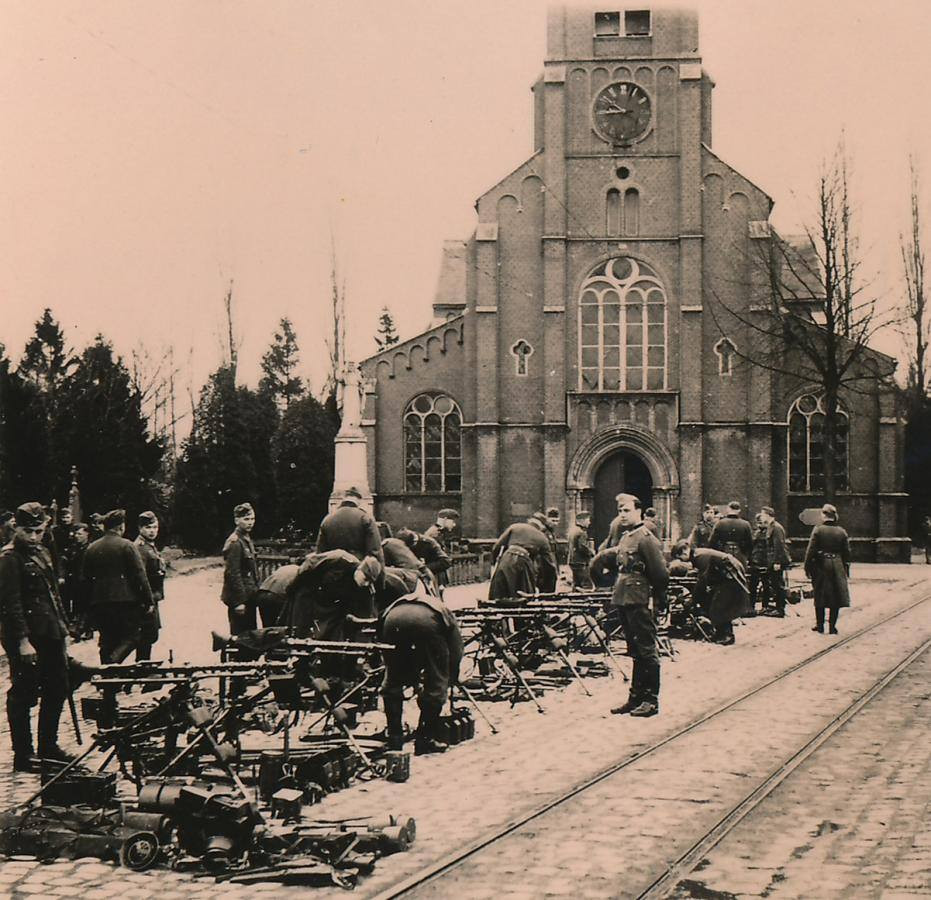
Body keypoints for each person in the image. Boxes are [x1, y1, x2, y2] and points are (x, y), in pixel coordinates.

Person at [0, 502, 73, 770]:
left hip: (49, 633)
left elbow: (52, 595)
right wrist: (21, 641)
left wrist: (63, 629)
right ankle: (24, 754)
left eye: (39, 531)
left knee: (58, 687)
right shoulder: (9, 558)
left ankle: (48, 747)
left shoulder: (41, 552)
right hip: (28, 638)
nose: (33, 537)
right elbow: (10, 604)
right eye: (27, 531)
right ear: (15, 528)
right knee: (23, 693)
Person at [590, 494, 667, 717]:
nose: (622, 515)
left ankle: (651, 700)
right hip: (624, 598)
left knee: (646, 649)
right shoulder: (626, 537)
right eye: (620, 511)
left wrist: (659, 600)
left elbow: (660, 574)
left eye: (626, 511)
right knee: (634, 650)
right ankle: (635, 698)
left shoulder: (645, 538)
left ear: (638, 512)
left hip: (640, 598)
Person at [379, 582, 464, 755]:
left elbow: (381, 641)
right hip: (427, 625)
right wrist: (448, 680)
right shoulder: (445, 613)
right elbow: (455, 654)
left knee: (393, 680)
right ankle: (425, 740)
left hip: (391, 619)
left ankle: (394, 738)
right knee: (437, 682)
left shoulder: (402, 602)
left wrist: (411, 675)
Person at [82, 509, 154, 664]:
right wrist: (148, 601)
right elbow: (140, 575)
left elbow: (85, 579)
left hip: (99, 602)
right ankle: (112, 662)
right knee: (133, 637)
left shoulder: (92, 548)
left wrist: (87, 607)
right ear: (121, 527)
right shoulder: (127, 545)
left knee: (107, 640)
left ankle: (109, 684)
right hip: (125, 601)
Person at [707, 501, 753, 644]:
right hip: (739, 560)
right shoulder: (746, 525)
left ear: (728, 509)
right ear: (738, 510)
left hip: (724, 560)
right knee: (734, 594)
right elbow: (749, 545)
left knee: (721, 596)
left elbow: (712, 543)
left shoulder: (720, 524)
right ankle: (725, 631)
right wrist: (742, 557)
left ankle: (725, 633)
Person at [804, 503, 851, 635]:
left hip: (821, 565)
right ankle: (832, 626)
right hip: (837, 565)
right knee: (835, 596)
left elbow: (810, 550)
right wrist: (845, 569)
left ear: (824, 515)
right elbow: (847, 553)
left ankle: (820, 626)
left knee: (820, 595)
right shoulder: (842, 531)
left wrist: (807, 567)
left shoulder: (818, 530)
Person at [488, 515, 558, 601]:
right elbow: (549, 566)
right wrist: (548, 591)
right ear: (542, 527)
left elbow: (496, 547)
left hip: (506, 559)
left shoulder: (515, 527)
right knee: (523, 594)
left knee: (500, 592)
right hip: (523, 562)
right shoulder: (542, 538)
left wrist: (494, 564)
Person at [316, 487, 384, 568]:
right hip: (358, 572)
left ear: (343, 498)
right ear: (359, 500)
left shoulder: (327, 519)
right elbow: (375, 553)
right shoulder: (365, 518)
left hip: (333, 572)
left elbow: (320, 554)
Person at [221, 502, 260, 635]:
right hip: (241, 599)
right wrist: (239, 602)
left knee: (251, 636)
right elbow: (233, 574)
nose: (250, 522)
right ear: (237, 520)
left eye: (252, 519)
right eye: (246, 519)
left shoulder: (246, 539)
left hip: (249, 597)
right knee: (240, 638)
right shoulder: (235, 542)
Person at [133, 511, 166, 660]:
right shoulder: (140, 548)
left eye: (155, 527)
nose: (152, 531)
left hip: (153, 597)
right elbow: (140, 577)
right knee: (145, 637)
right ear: (140, 528)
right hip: (146, 599)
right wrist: (147, 600)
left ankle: (143, 667)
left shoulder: (149, 546)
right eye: (148, 528)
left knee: (150, 635)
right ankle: (142, 669)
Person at [759, 506, 791, 617]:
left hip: (775, 561)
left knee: (778, 584)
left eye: (762, 514)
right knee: (775, 583)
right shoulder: (771, 526)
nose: (761, 517)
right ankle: (777, 608)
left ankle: (780, 609)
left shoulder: (776, 528)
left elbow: (779, 546)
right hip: (771, 560)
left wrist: (777, 562)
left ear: (768, 514)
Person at [63, 522, 91, 636]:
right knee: (77, 605)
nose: (77, 536)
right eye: (76, 534)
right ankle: (79, 628)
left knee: (86, 605)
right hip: (75, 580)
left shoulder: (90, 547)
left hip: (86, 580)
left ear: (86, 534)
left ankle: (85, 629)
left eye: (80, 534)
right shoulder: (74, 547)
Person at [747, 513, 769, 614]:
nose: (761, 524)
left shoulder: (769, 533)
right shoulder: (755, 533)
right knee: (753, 585)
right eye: (759, 522)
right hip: (755, 562)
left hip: (765, 561)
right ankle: (751, 606)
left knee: (766, 585)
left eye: (763, 522)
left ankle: (765, 606)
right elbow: (751, 547)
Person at [567, 511, 594, 589]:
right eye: (588, 520)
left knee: (576, 583)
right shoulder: (581, 532)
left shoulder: (572, 531)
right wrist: (591, 552)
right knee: (586, 584)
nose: (589, 522)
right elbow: (582, 547)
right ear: (582, 521)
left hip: (573, 561)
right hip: (581, 562)